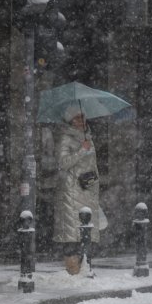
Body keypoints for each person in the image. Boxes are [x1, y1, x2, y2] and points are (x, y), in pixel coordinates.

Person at [53, 107, 107, 275]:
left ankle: (85, 267)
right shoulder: (66, 138)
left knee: (86, 231)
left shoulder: (88, 137)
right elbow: (63, 163)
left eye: (82, 117)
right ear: (70, 121)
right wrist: (82, 149)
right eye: (76, 118)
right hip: (72, 191)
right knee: (72, 233)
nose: (81, 120)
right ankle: (73, 269)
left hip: (87, 189)